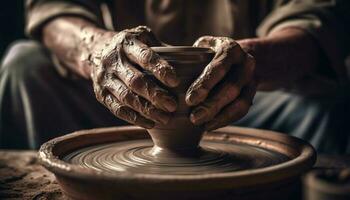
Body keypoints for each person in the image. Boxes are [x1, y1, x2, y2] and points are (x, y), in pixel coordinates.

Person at [0, 0, 349, 153]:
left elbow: (318, 16)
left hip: (244, 98)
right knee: (24, 67)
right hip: (123, 96)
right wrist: (96, 50)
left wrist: (254, 61)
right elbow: (52, 8)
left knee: (327, 107)